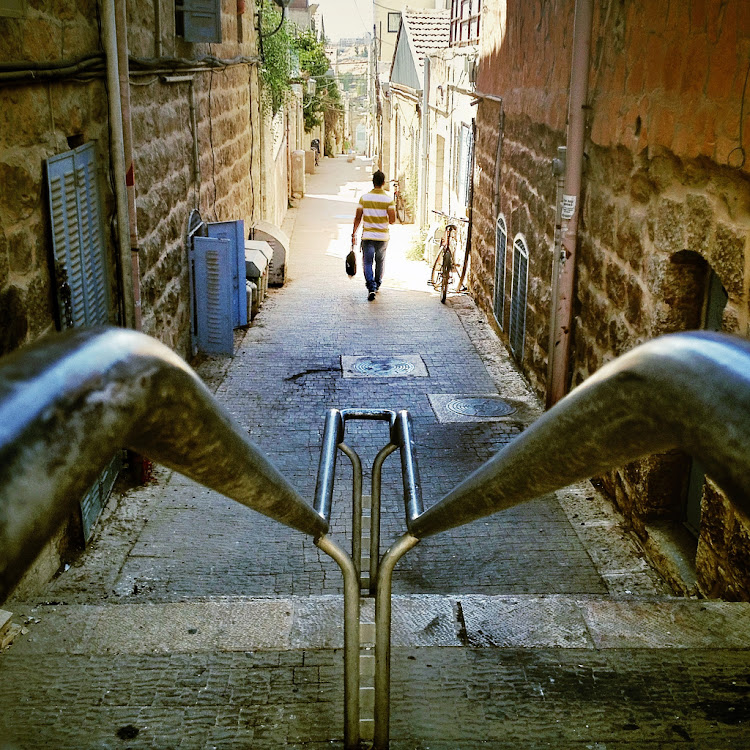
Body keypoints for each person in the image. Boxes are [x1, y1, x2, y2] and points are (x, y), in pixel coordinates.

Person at [351, 170, 396, 301]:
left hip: (368, 237)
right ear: (383, 182)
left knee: (367, 262)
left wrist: (354, 233)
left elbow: (358, 218)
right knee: (380, 261)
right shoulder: (388, 199)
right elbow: (392, 220)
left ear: (373, 182)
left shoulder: (364, 198)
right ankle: (377, 284)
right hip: (382, 237)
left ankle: (371, 286)